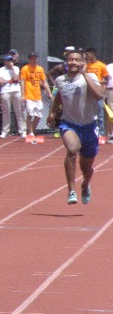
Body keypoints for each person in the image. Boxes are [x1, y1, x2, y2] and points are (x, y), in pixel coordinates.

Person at [47, 49, 105, 205]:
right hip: (69, 123)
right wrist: (52, 113)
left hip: (90, 126)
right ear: (67, 62)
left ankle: (85, 185)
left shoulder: (90, 77)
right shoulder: (60, 80)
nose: (73, 62)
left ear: (82, 63)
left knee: (87, 169)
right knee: (72, 150)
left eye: (77, 60)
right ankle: (71, 191)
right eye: (71, 60)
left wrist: (85, 75)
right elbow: (59, 96)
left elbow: (99, 95)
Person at [20, 52, 51, 142]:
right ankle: (30, 133)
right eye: (32, 58)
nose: (34, 60)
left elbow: (44, 81)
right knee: (30, 114)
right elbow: (22, 82)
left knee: (38, 115)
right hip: (29, 95)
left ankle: (32, 131)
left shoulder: (40, 69)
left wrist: (49, 92)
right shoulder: (25, 69)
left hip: (37, 95)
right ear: (29, 59)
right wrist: (22, 95)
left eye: (35, 58)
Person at [83, 48, 109, 139]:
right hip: (89, 93)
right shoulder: (86, 66)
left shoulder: (101, 65)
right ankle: (90, 132)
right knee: (89, 114)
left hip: (98, 93)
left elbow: (106, 80)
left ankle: (101, 133)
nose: (86, 56)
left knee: (100, 115)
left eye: (87, 54)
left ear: (92, 54)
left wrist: (103, 91)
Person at [0, 54, 25, 139]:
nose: (10, 62)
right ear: (5, 61)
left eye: (11, 60)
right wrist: (9, 81)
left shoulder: (16, 68)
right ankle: (5, 131)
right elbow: (1, 81)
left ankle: (22, 131)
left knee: (19, 111)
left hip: (16, 91)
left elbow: (16, 78)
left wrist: (12, 69)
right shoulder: (1, 69)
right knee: (6, 112)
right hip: (5, 91)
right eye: (8, 60)